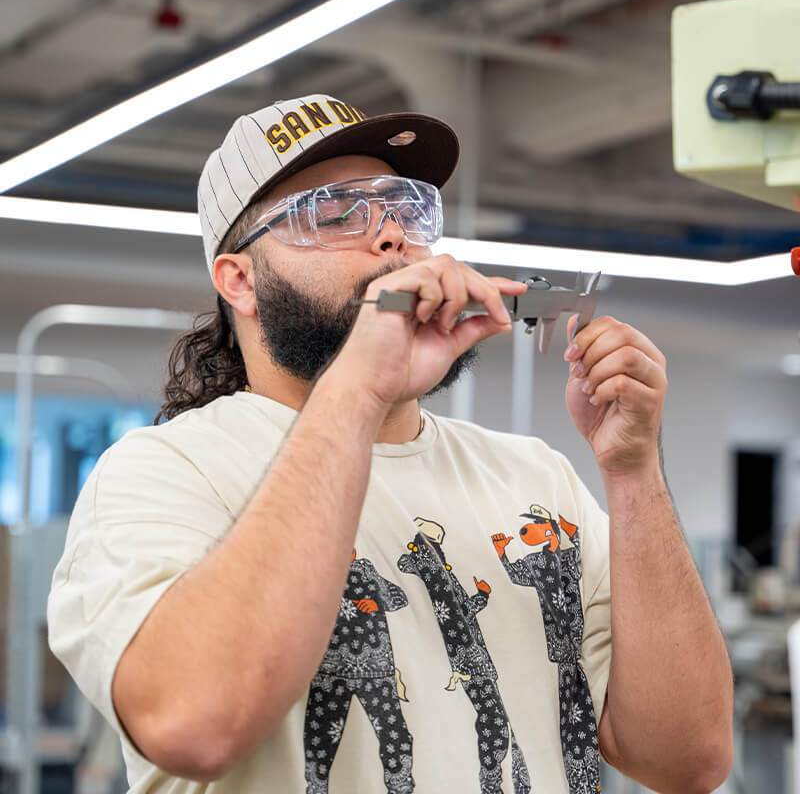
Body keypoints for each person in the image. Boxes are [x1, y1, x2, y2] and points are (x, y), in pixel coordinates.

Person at [48, 94, 733, 794]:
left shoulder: (537, 478)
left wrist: (633, 470)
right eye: (336, 213)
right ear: (240, 281)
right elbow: (193, 725)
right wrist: (359, 388)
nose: (390, 237)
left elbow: (688, 758)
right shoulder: (164, 473)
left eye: (406, 209)